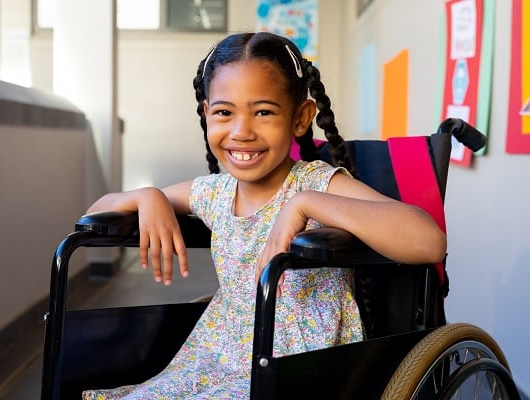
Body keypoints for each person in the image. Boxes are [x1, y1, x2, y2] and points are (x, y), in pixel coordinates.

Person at [82, 31, 447, 399]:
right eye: (224, 112)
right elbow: (93, 215)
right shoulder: (216, 192)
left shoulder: (317, 182)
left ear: (301, 118)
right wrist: (148, 196)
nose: (241, 132)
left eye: (263, 112)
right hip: (216, 359)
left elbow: (428, 241)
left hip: (301, 368)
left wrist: (306, 204)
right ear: (207, 114)